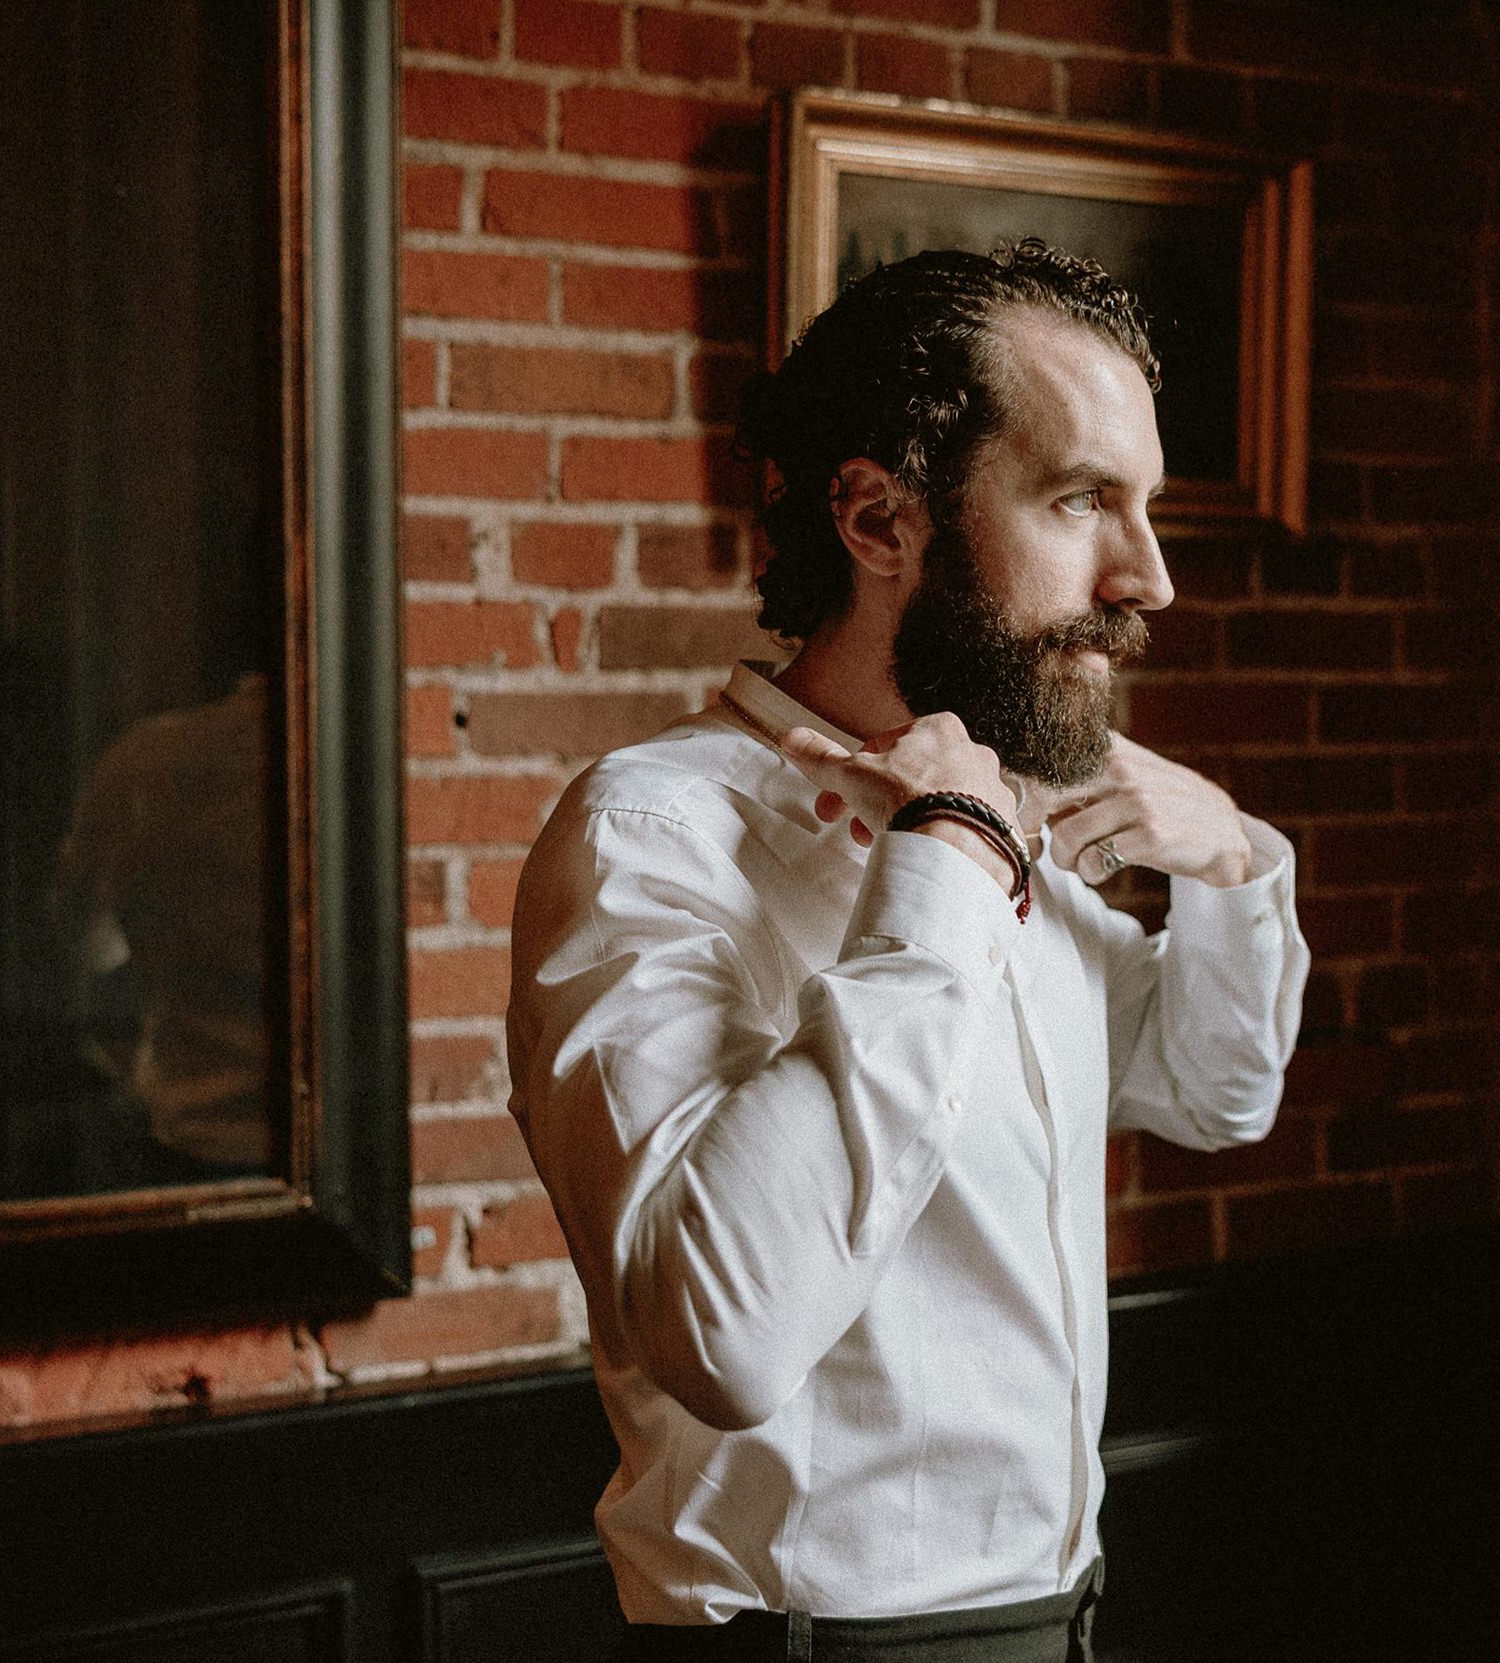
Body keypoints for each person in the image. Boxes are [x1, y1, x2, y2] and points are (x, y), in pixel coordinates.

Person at [505, 238, 1310, 1659]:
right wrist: (941, 866)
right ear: (879, 522)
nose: (1155, 580)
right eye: (1083, 501)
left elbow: (1215, 1094)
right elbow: (725, 1335)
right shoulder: (648, 835)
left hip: (1063, 1627)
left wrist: (1234, 864)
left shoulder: (1026, 818)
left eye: (1150, 509)